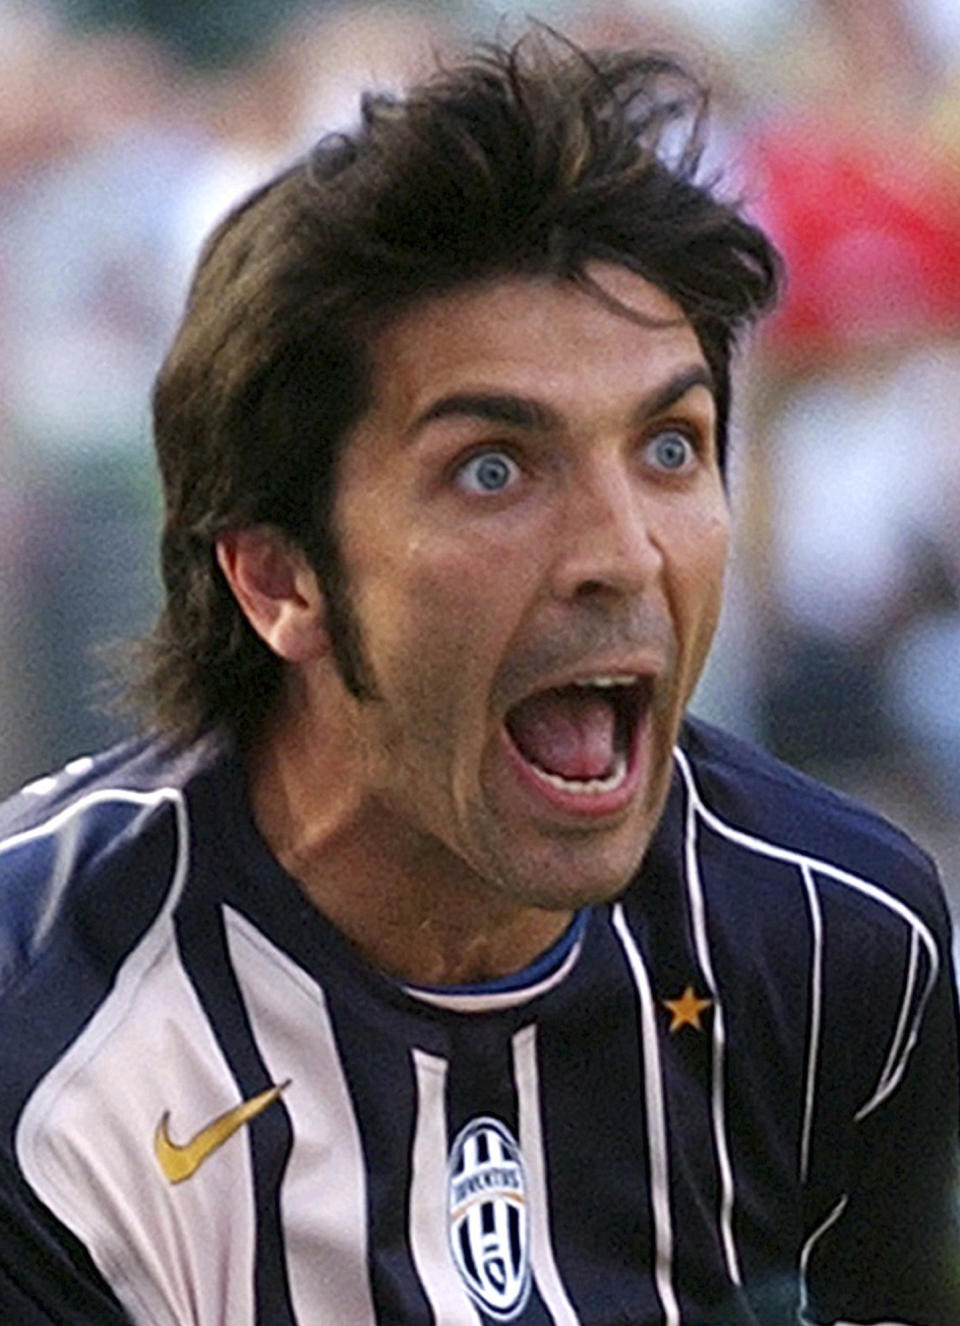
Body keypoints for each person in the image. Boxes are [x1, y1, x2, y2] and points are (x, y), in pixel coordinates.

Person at [0, 32, 957, 1326]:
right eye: (494, 468)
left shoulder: (839, 944)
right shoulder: (43, 1023)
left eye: (671, 444)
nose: (622, 551)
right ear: (277, 577)